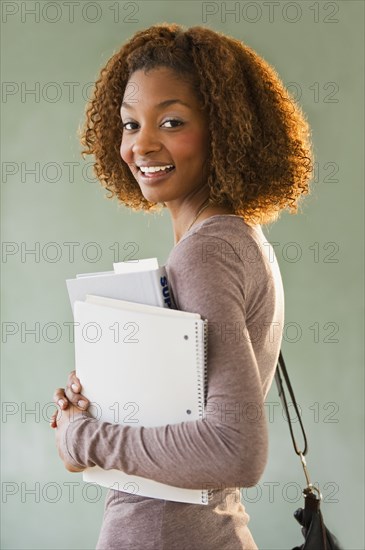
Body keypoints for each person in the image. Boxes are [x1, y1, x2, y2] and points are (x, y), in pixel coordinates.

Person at [50, 23, 313, 550]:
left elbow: (235, 449)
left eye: (171, 121)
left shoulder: (206, 252)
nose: (141, 144)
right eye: (129, 125)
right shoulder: (237, 239)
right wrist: (84, 420)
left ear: (226, 129)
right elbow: (95, 455)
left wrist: (84, 435)